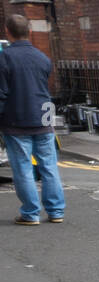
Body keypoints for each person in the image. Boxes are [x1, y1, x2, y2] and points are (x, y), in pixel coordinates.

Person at [0, 14, 66, 225]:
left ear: (7, 31)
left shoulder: (4, 58)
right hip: (43, 119)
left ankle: (30, 213)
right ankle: (56, 211)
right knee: (49, 167)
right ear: (29, 31)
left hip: (16, 121)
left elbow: (1, 94)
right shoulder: (42, 57)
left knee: (23, 168)